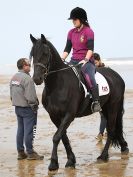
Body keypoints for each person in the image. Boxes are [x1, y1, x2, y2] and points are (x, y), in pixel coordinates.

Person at [62, 7, 101, 113]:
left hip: (87, 61)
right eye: (72, 20)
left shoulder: (89, 31)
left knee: (89, 77)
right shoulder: (71, 32)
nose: (73, 22)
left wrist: (85, 60)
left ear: (81, 19)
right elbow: (67, 49)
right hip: (73, 60)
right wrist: (62, 58)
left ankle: (96, 101)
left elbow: (90, 49)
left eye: (75, 19)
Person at [10, 58, 44, 160]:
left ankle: (21, 152)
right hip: (28, 109)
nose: (30, 66)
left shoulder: (14, 77)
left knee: (20, 130)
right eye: (29, 64)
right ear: (24, 66)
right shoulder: (27, 79)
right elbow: (30, 96)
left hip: (17, 108)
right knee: (29, 131)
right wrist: (34, 105)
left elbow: (11, 94)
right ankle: (30, 152)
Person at [93, 53, 107, 141]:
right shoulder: (92, 70)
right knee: (105, 116)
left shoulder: (104, 70)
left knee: (104, 116)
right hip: (99, 96)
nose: (95, 64)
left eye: (96, 62)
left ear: (99, 61)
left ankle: (101, 134)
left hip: (105, 95)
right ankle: (104, 133)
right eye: (93, 63)